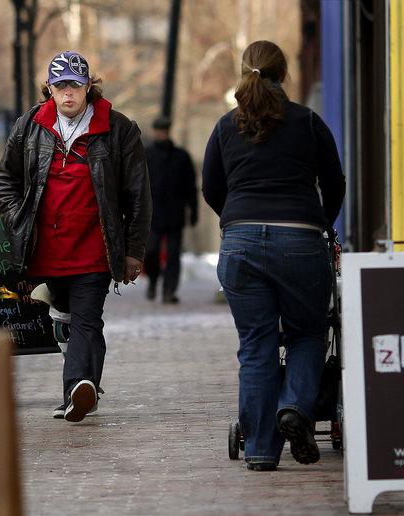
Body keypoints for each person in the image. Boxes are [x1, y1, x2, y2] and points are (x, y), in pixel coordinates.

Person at [201, 40, 345, 471]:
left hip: (241, 245)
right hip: (300, 238)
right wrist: (321, 221)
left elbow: (211, 187)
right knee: (306, 333)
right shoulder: (307, 121)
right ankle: (295, 409)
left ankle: (261, 450)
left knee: (257, 344)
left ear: (245, 72)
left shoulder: (227, 126)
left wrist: (237, 218)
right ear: (283, 73)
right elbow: (334, 182)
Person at [0, 51, 152, 423]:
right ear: (49, 88)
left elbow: (138, 195)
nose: (68, 94)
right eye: (60, 86)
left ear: (88, 87)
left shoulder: (118, 128)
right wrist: (19, 219)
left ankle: (79, 388)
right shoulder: (29, 125)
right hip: (45, 248)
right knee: (63, 316)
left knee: (86, 318)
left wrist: (133, 250)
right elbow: (5, 182)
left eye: (75, 86)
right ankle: (81, 390)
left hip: (95, 247)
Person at [143, 115, 198, 304]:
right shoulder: (147, 154)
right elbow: (138, 184)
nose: (161, 134)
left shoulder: (181, 156)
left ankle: (169, 290)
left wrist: (194, 209)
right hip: (153, 212)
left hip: (175, 212)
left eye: (164, 130)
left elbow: (191, 185)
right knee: (151, 251)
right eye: (159, 130)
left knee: (174, 254)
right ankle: (152, 280)